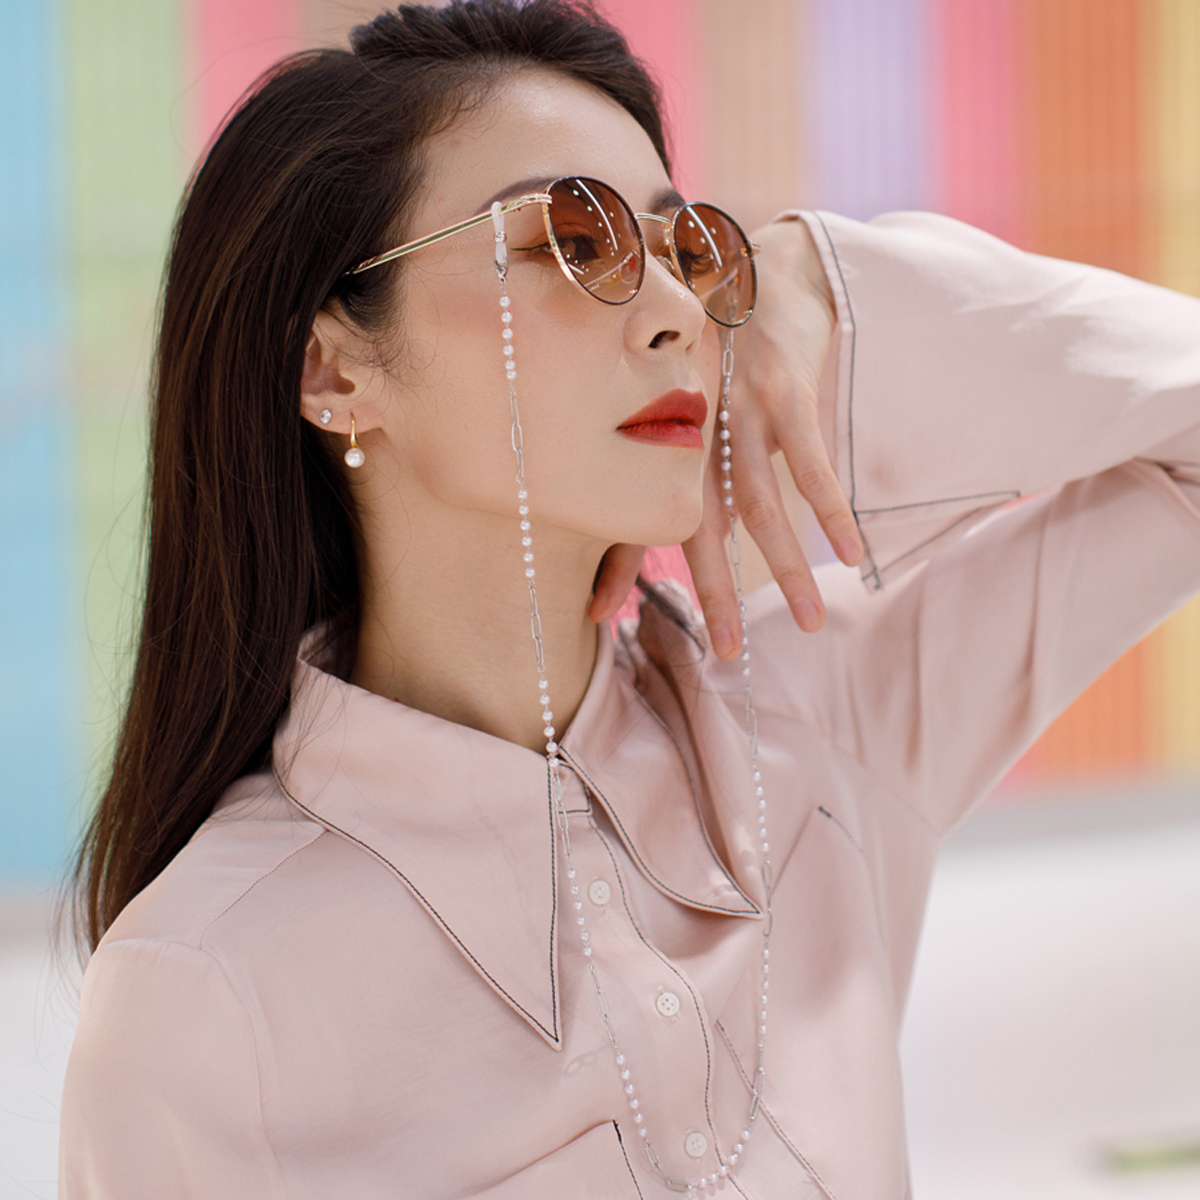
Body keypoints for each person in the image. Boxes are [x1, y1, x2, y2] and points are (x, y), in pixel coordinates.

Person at [58, 2, 1200, 1197]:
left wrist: (814, 280)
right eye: (574, 240)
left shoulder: (815, 723)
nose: (679, 312)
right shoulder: (202, 995)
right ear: (331, 367)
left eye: (689, 253)